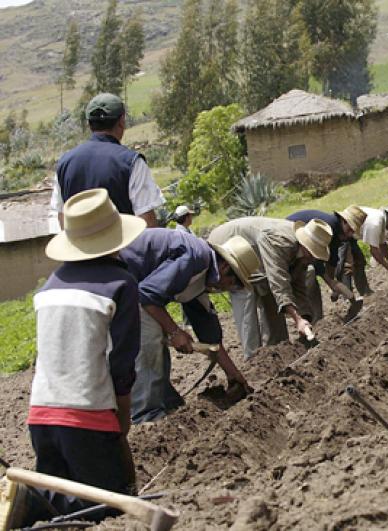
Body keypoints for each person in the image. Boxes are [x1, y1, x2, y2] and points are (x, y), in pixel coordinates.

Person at [21, 188, 146, 525]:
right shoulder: (121, 283)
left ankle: (29, 502)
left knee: (56, 508)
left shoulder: (51, 285)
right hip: (87, 417)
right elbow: (121, 362)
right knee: (110, 511)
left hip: (41, 416)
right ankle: (30, 503)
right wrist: (122, 416)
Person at [120, 229, 257, 423]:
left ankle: (167, 402)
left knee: (155, 333)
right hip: (117, 280)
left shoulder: (202, 279)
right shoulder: (195, 258)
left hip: (134, 288)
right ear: (226, 268)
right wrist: (175, 332)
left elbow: (210, 338)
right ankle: (146, 414)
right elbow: (147, 296)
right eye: (234, 285)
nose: (228, 290)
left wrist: (234, 375)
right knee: (150, 336)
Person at [208, 218, 334, 358]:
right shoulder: (280, 242)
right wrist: (297, 319)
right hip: (230, 249)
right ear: (307, 247)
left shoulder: (302, 253)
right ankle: (254, 359)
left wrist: (304, 317)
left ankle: (276, 351)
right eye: (314, 253)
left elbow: (298, 285)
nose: (315, 259)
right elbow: (278, 282)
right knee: (247, 300)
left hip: (257, 257)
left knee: (272, 300)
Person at [51, 93, 164, 228]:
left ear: (89, 124)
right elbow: (146, 221)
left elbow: (62, 217)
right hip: (123, 247)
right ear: (122, 121)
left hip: (80, 247)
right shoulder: (131, 162)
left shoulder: (64, 163)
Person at [286, 206, 367, 323]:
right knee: (309, 274)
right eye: (350, 230)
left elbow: (331, 258)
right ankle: (311, 319)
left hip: (305, 247)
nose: (350, 234)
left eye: (353, 232)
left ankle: (317, 319)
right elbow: (316, 260)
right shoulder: (328, 227)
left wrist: (333, 284)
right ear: (344, 221)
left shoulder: (337, 230)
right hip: (293, 241)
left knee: (311, 274)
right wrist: (330, 281)